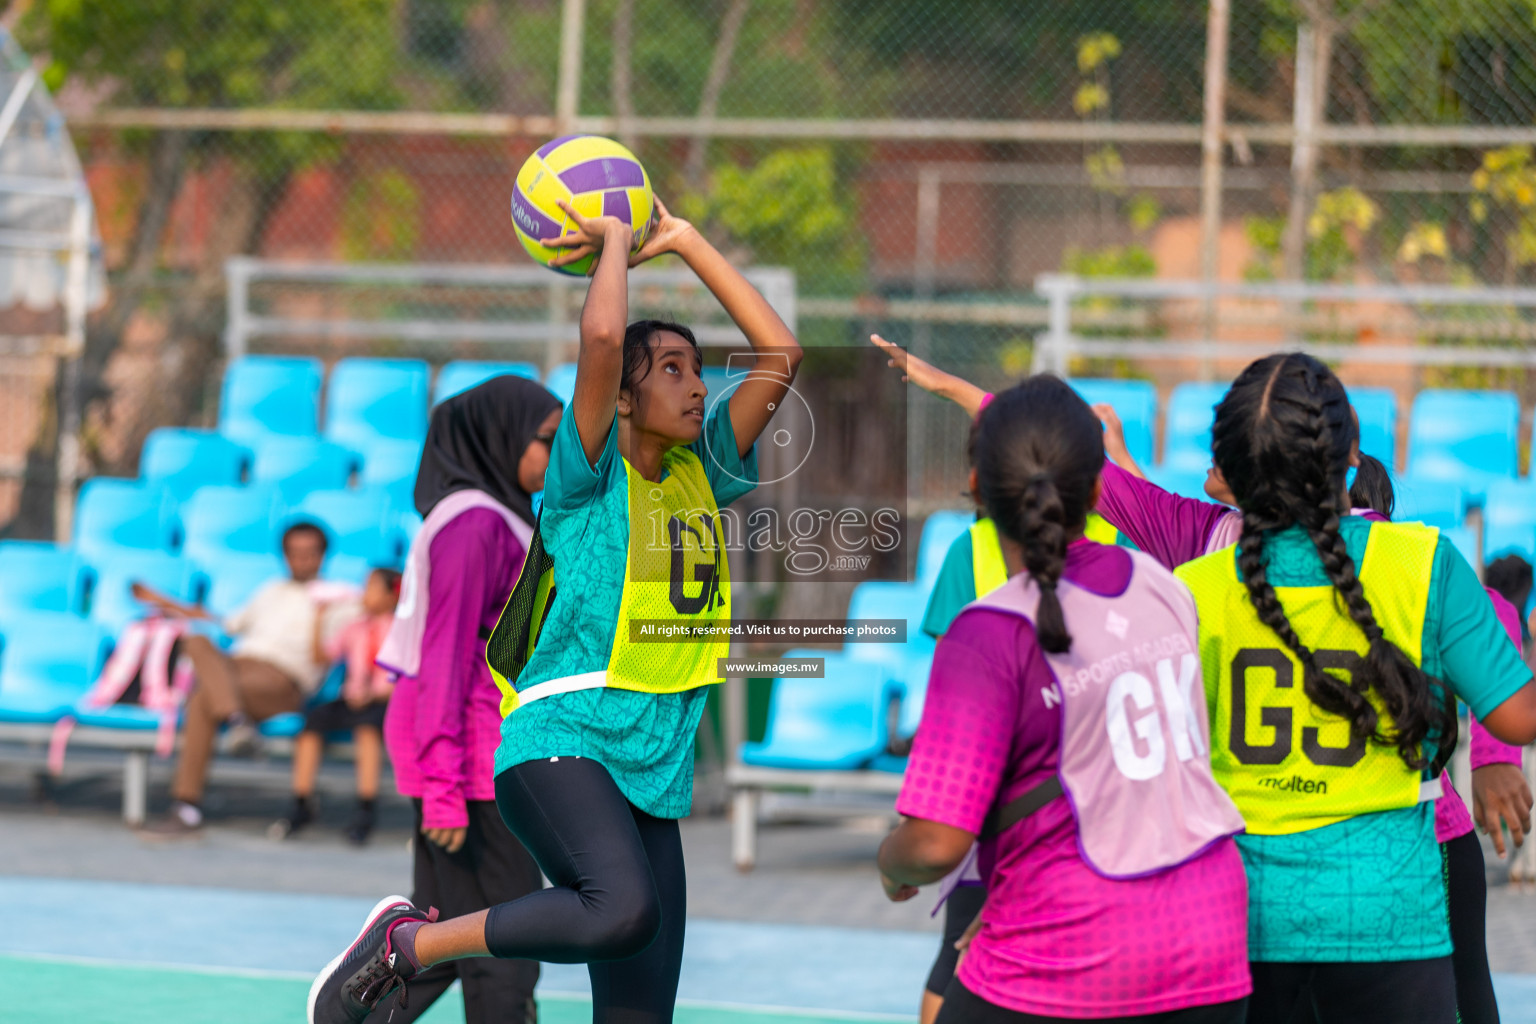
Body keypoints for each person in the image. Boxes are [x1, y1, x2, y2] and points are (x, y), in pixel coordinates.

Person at [308, 197, 800, 1024]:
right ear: (628, 399)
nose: (696, 384)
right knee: (619, 909)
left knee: (641, 1014)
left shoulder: (703, 473)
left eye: (697, 367)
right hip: (562, 735)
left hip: (654, 759)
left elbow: (780, 353)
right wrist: (613, 237)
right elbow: (604, 341)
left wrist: (684, 241)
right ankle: (405, 944)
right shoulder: (587, 479)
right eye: (672, 369)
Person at [1171, 352, 1536, 1023]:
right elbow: (1517, 718)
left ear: (1230, 474)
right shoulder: (1422, 563)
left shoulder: (1192, 590)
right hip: (1389, 916)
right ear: (1352, 456)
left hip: (1239, 919)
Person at [878, 376, 1252, 1024]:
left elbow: (936, 843)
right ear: (1102, 491)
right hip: (1211, 943)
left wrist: (889, 862)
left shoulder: (990, 630)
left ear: (976, 487)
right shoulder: (1165, 589)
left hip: (1072, 952)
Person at [362, 374, 563, 1024]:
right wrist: (445, 788)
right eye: (546, 440)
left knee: (442, 939)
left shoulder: (496, 514)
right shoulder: (474, 525)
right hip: (468, 763)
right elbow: (445, 660)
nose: (555, 456)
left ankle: (347, 1011)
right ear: (498, 438)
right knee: (505, 944)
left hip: (479, 748)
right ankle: (344, 1010)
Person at [135, 521, 354, 836]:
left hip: (283, 681)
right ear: (284, 556)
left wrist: (322, 616)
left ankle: (186, 808)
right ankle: (237, 720)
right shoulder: (271, 591)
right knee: (196, 641)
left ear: (323, 556)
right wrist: (165, 602)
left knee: (202, 697)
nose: (302, 560)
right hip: (238, 668)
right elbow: (224, 623)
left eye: (309, 554)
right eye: (294, 553)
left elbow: (327, 656)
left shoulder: (342, 601)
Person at [271, 566, 402, 846]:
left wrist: (376, 695)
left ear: (392, 595)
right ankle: (301, 800)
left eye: (371, 587)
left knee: (367, 731)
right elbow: (323, 657)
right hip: (353, 696)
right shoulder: (355, 627)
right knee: (312, 723)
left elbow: (400, 674)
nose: (364, 594)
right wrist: (320, 618)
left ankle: (366, 807)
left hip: (384, 700)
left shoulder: (400, 630)